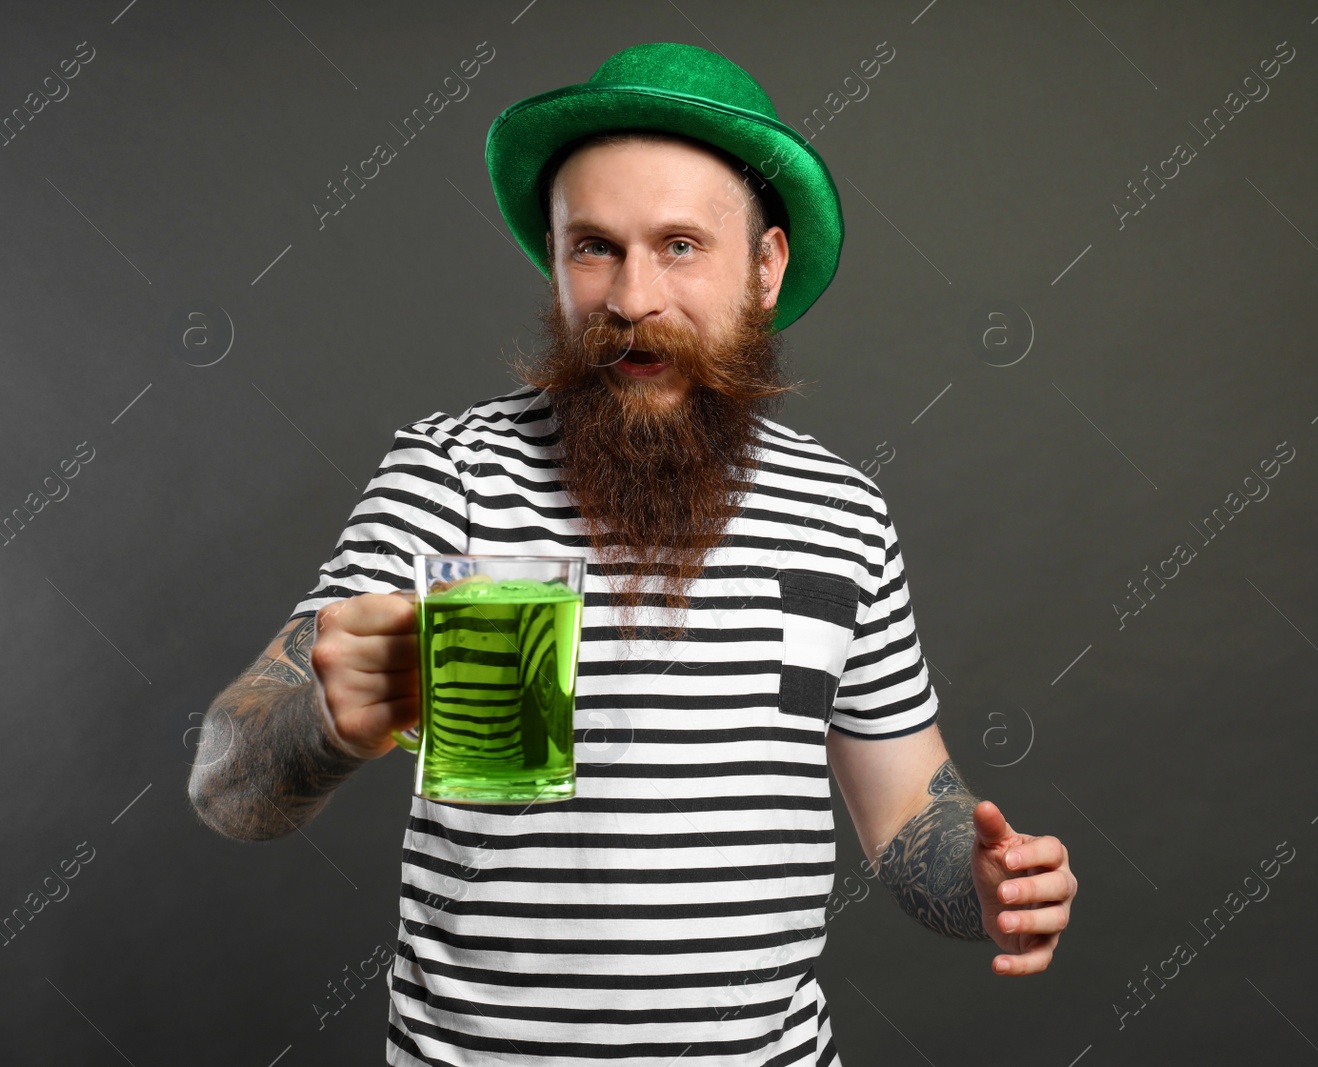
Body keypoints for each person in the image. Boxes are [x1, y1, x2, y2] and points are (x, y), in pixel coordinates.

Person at [187, 41, 1076, 1065]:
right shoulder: (451, 475)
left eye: (681, 245)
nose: (631, 296)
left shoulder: (842, 509)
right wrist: (325, 717)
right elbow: (227, 781)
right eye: (593, 246)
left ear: (766, 266)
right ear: (555, 260)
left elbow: (906, 813)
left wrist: (985, 876)